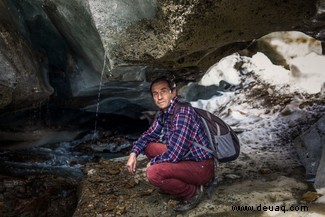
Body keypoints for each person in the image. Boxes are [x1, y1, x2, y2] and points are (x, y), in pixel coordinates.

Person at [126, 76, 214, 212]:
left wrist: (154, 162)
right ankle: (172, 183)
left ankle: (192, 192)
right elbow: (149, 135)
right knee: (149, 147)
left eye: (163, 91)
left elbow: (175, 153)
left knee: (153, 173)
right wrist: (133, 153)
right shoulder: (164, 113)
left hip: (201, 166)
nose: (159, 97)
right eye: (155, 94)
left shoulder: (183, 113)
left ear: (173, 93)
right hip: (186, 159)